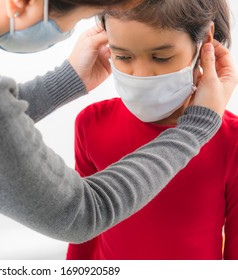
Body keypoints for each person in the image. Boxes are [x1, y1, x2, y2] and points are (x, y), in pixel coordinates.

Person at [0, 0, 236, 260]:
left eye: (161, 55)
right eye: (67, 22)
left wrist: (64, 81)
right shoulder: (92, 123)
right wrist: (196, 127)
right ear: (22, 2)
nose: (64, 34)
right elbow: (83, 215)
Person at [66, 0, 238, 260]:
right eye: (123, 56)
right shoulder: (91, 123)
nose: (142, 73)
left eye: (161, 57)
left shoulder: (231, 139)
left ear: (206, 41)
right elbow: (83, 231)